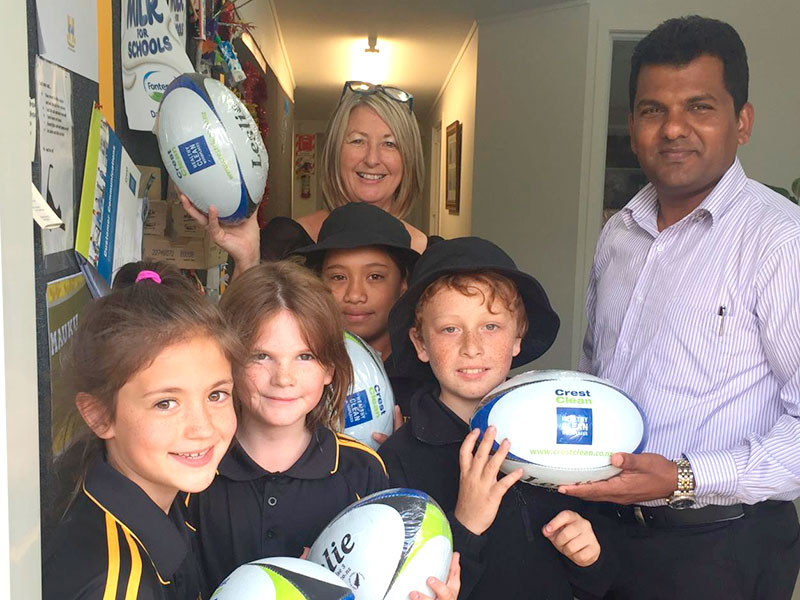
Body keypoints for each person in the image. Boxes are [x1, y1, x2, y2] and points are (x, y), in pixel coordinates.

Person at [563, 15, 800, 599]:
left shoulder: (780, 242)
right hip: (607, 534)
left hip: (720, 545)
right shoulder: (618, 234)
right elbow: (601, 373)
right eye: (652, 110)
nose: (673, 129)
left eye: (699, 107)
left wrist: (685, 478)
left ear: (741, 122)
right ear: (632, 123)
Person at [186, 261, 460, 600]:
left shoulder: (362, 470)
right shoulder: (194, 469)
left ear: (330, 367)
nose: (283, 378)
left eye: (305, 357)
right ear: (228, 360)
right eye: (261, 356)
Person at [379, 237, 617, 599]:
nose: (472, 346)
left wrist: (589, 557)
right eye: (450, 329)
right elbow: (408, 589)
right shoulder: (400, 459)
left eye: (490, 326)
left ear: (518, 337)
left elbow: (597, 586)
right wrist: (467, 524)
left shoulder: (560, 437)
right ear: (421, 343)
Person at [43, 261, 243, 599]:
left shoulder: (158, 489)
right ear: (99, 416)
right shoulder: (118, 587)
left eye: (216, 394)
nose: (203, 427)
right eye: (165, 403)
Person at [180, 81, 429, 277]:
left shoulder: (428, 255)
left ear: (408, 159)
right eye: (357, 141)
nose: (372, 159)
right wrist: (247, 262)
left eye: (389, 144)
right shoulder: (287, 242)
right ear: (333, 152)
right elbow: (237, 339)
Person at [292, 201, 421, 415]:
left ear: (403, 284)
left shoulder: (425, 370)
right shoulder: (295, 365)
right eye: (338, 277)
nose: (354, 295)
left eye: (375, 277)